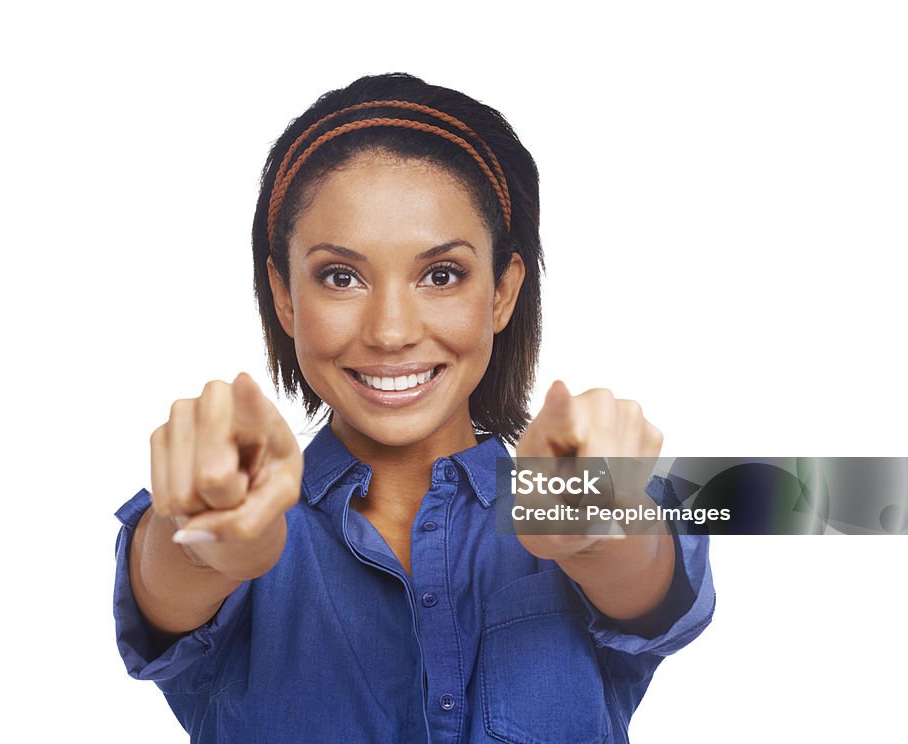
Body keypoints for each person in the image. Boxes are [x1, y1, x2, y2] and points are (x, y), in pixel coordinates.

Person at [112, 73, 714, 743]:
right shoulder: (237, 506)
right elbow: (164, 580)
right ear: (284, 295)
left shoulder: (563, 493)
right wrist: (203, 542)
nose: (391, 330)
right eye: (341, 277)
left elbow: (649, 578)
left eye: (441, 275)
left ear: (502, 292)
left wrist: (600, 525)